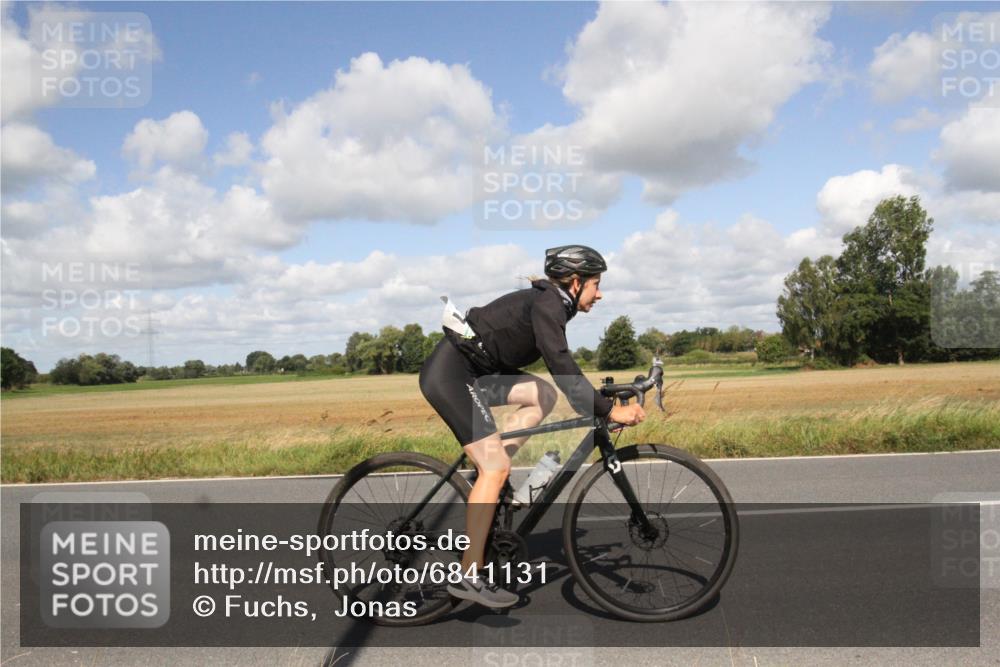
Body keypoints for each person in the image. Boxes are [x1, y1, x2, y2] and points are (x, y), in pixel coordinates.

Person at [418, 245, 646, 608]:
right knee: (494, 466)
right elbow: (560, 362)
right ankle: (468, 576)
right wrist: (608, 411)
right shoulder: (549, 305)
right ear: (576, 283)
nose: (600, 293)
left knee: (542, 395)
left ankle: (495, 478)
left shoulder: (554, 303)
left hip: (478, 371)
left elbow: (561, 369)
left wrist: (601, 402)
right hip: (452, 375)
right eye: (596, 284)